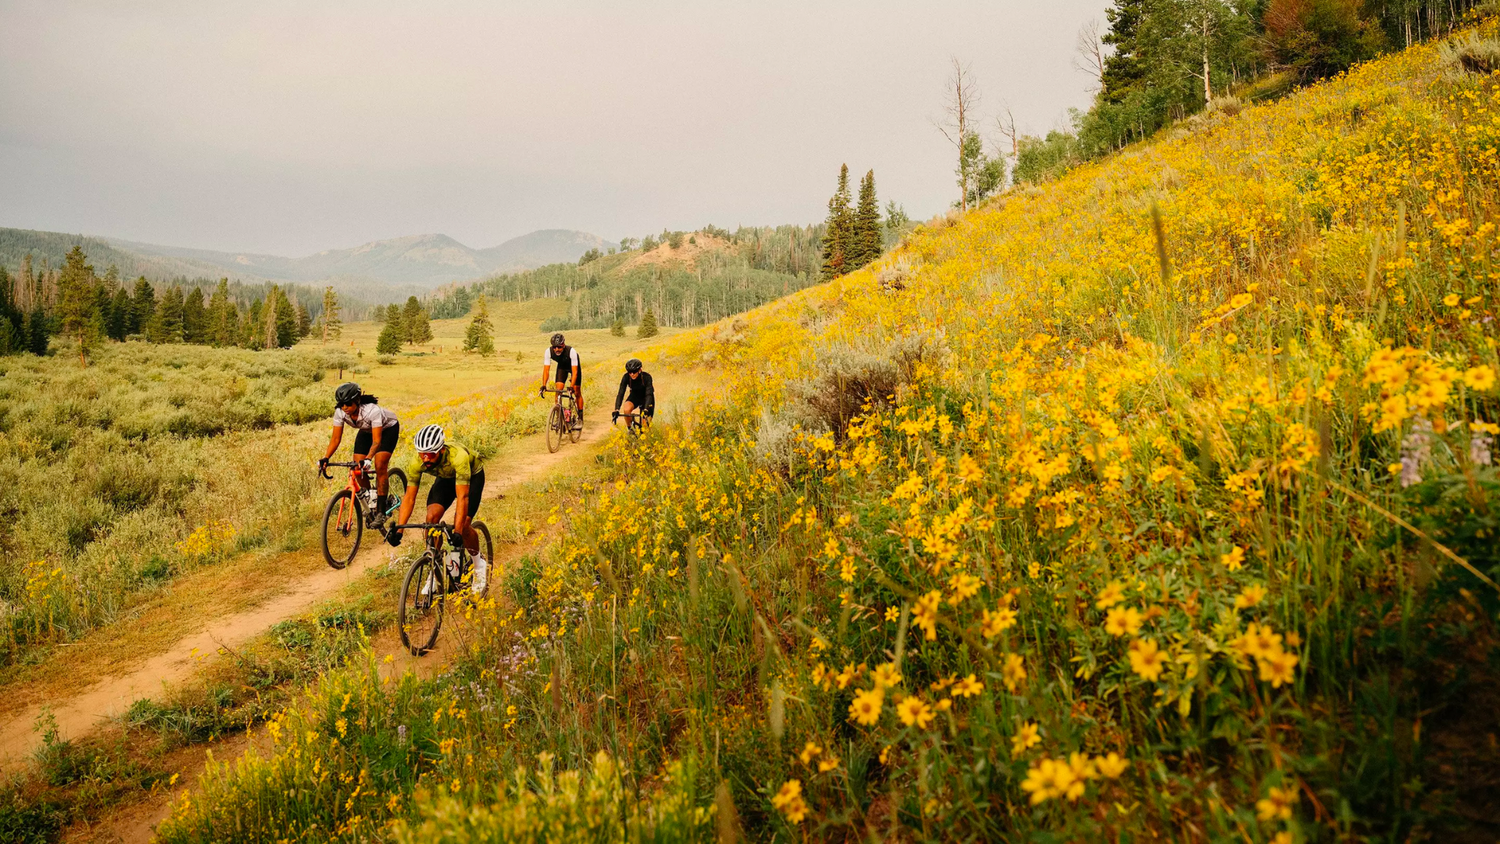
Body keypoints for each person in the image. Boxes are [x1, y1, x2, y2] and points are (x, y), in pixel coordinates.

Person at [387, 424, 491, 595]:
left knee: (464, 524)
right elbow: (409, 497)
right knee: (431, 519)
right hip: (446, 479)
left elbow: (462, 497)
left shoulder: (458, 457)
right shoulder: (417, 462)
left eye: (430, 454)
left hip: (471, 477)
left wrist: (457, 531)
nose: (426, 459)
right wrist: (399, 530)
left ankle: (479, 564)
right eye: (422, 454)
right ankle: (435, 572)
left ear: (441, 450)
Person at [318, 382, 399, 527]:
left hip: (387, 430)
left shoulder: (372, 411)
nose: (344, 408)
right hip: (366, 430)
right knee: (357, 466)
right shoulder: (341, 412)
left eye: (348, 404)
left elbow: (377, 441)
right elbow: (336, 439)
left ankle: (381, 511)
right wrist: (326, 458)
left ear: (357, 401)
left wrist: (368, 458)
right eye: (341, 404)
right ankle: (370, 500)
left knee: (380, 464)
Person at [539, 332, 583, 430]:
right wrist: (543, 385)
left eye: (559, 347)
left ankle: (580, 418)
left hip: (574, 367)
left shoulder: (571, 351)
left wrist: (571, 386)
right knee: (558, 390)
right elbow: (546, 370)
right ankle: (558, 418)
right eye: (554, 347)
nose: (556, 350)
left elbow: (575, 373)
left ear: (563, 345)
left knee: (577, 391)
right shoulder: (548, 351)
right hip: (562, 367)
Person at [612, 358, 655, 430]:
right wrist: (616, 409)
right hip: (635, 396)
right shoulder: (626, 377)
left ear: (640, 370)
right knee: (626, 409)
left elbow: (649, 394)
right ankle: (631, 430)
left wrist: (646, 409)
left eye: (634, 372)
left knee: (645, 427)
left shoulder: (647, 377)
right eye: (629, 372)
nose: (632, 374)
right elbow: (621, 393)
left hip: (646, 398)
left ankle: (643, 434)